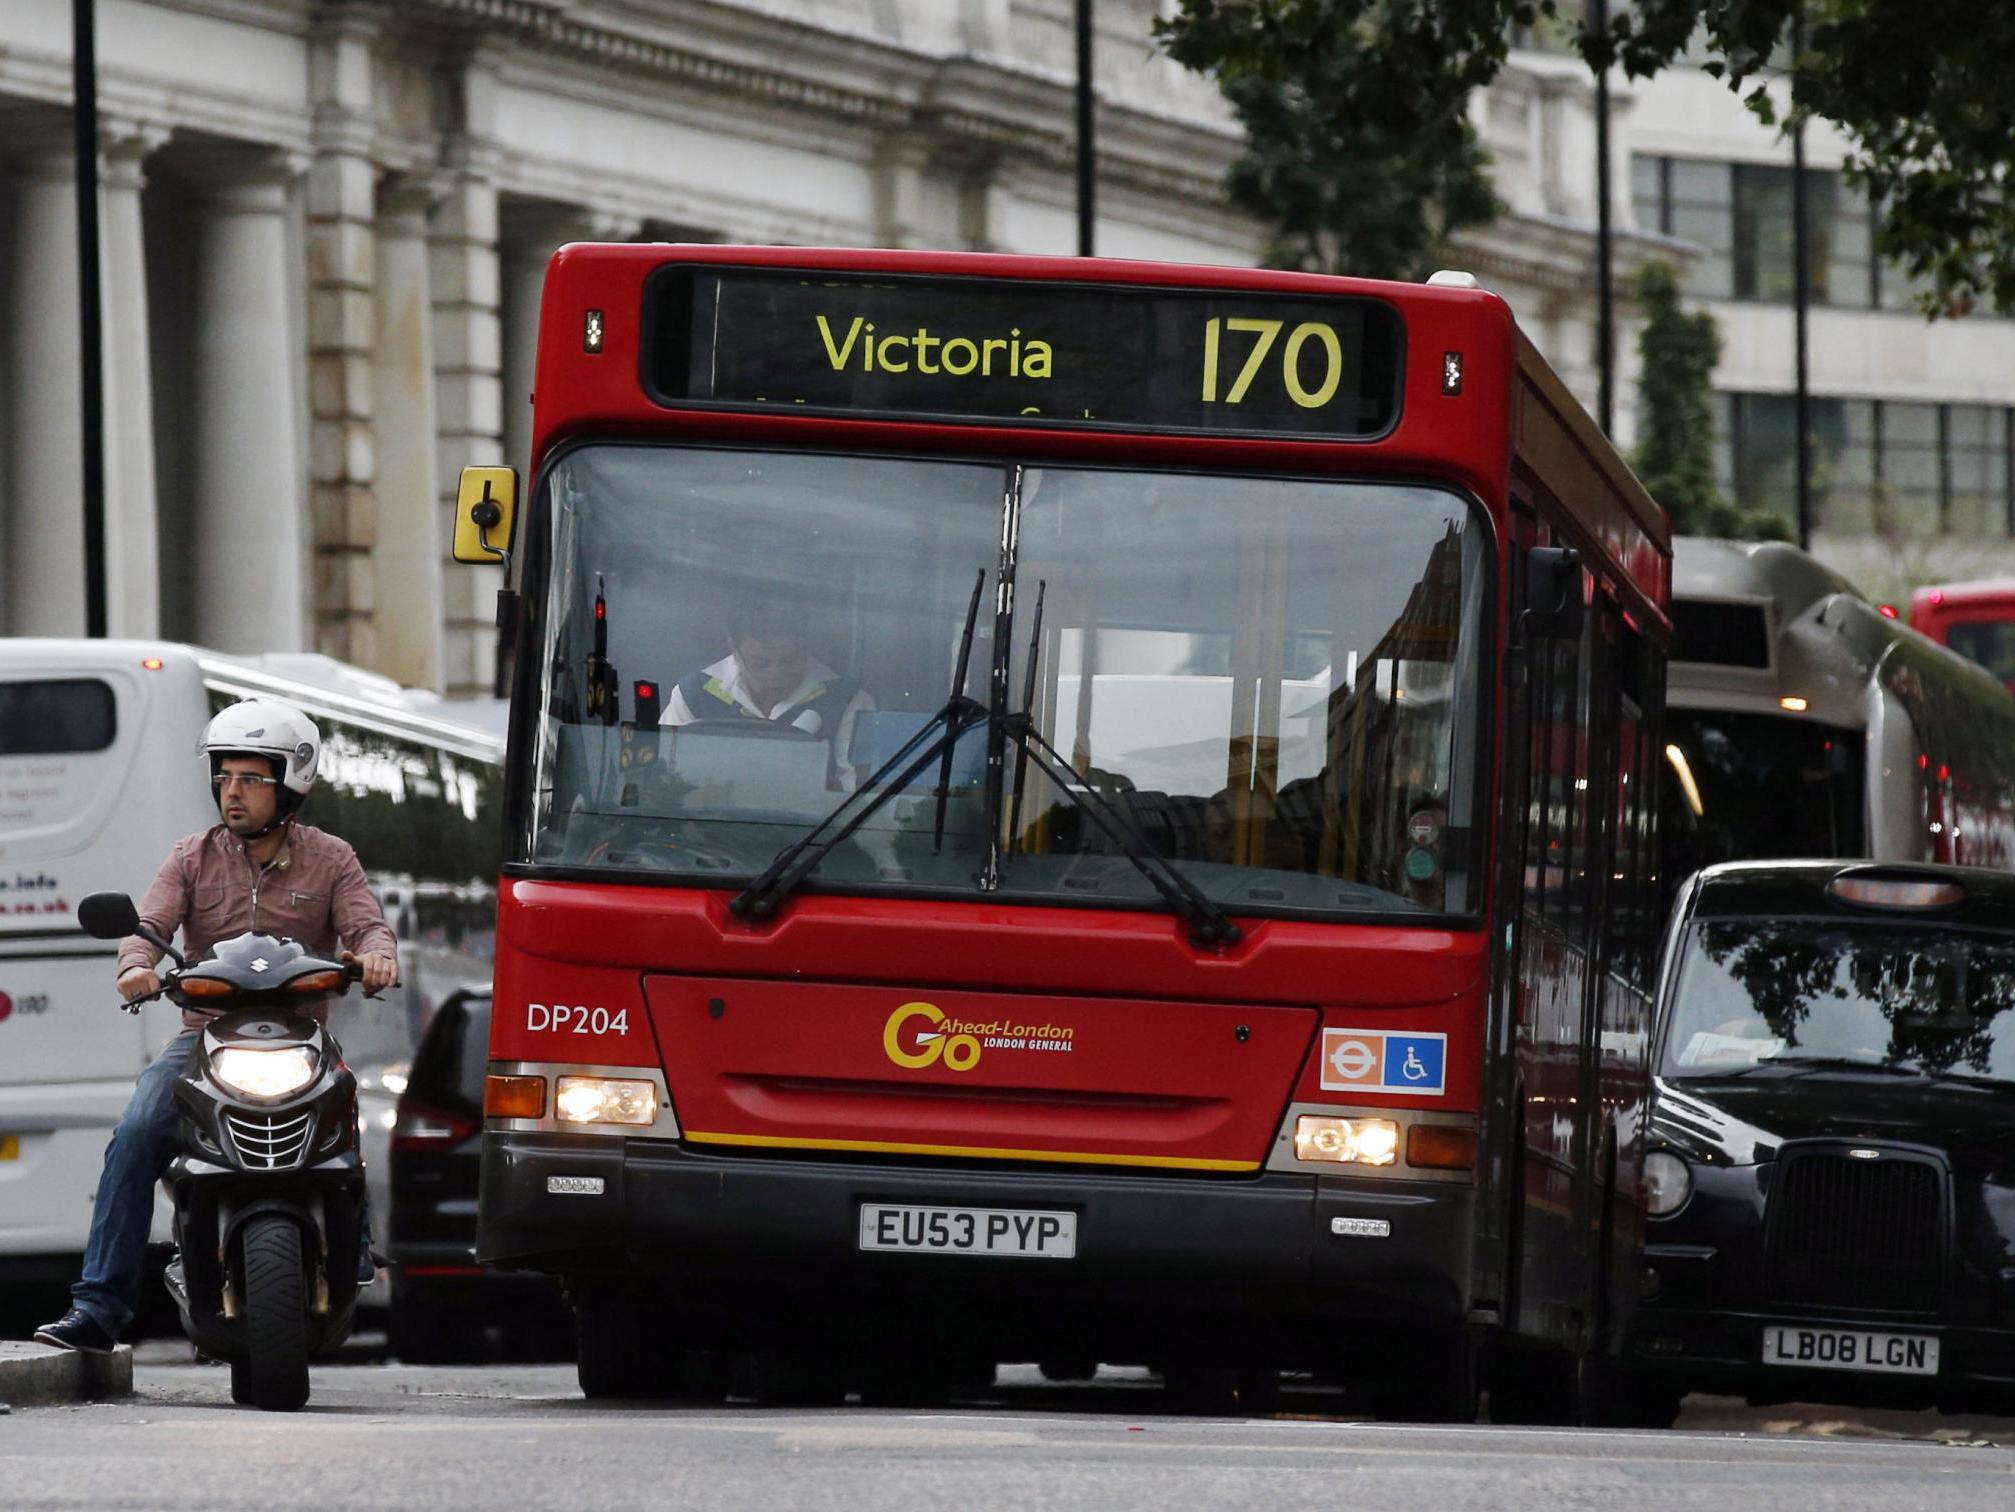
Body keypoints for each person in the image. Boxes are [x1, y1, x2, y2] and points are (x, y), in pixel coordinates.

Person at [32, 698, 399, 1354]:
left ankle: (358, 1250)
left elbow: (367, 925)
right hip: (204, 1038)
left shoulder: (333, 859)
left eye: (252, 779)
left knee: (344, 1112)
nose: (234, 792)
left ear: (291, 784)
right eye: (225, 777)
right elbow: (147, 927)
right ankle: (99, 1309)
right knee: (137, 1133)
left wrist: (376, 956)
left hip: (300, 1036)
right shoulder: (190, 856)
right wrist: (136, 965)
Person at [661, 602, 875, 789]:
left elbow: (857, 792)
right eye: (762, 664)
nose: (777, 676)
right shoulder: (694, 696)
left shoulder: (847, 700)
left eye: (790, 660)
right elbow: (665, 778)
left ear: (807, 647)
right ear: (734, 650)